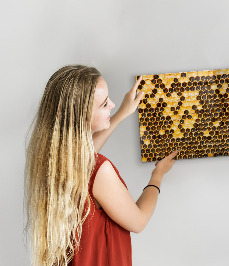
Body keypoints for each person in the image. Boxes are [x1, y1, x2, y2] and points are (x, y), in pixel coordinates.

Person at [24, 65, 178, 266]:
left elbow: (86, 157)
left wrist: (122, 113)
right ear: (82, 117)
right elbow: (138, 221)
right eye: (105, 104)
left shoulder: (53, 159)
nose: (112, 104)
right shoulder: (100, 170)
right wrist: (157, 175)